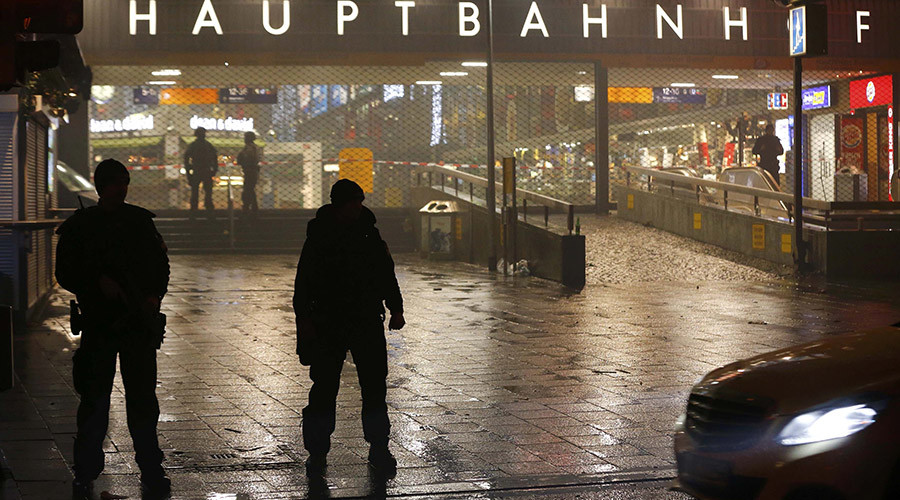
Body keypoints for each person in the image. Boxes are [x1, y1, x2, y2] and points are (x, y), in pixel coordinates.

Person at [56, 159, 171, 499]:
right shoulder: (82, 227)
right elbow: (66, 272)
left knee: (142, 401)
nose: (123, 188)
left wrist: (152, 297)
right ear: (101, 186)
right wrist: (97, 282)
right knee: (94, 401)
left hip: (136, 324)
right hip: (101, 323)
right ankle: (86, 469)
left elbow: (160, 266)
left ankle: (150, 466)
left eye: (125, 182)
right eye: (116, 182)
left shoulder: (139, 222)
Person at [293, 179, 405, 478]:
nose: (358, 206)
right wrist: (303, 319)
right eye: (352, 202)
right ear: (338, 204)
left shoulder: (369, 232)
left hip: (362, 318)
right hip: (330, 321)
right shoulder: (320, 236)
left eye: (359, 200)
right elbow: (304, 282)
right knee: (326, 387)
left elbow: (385, 272)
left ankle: (378, 445)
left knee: (373, 385)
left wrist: (396, 307)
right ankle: (317, 451)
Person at [183, 127, 218, 216]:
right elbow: (215, 158)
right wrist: (214, 170)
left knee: (195, 192)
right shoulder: (208, 145)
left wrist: (188, 172)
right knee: (208, 192)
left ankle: (194, 211)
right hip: (206, 170)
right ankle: (209, 211)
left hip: (196, 170)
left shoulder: (193, 145)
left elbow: (186, 159)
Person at [236, 131, 260, 217]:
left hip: (250, 171)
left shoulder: (249, 148)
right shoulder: (254, 147)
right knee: (250, 190)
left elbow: (243, 159)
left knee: (248, 190)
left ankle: (247, 209)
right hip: (252, 171)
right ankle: (253, 208)